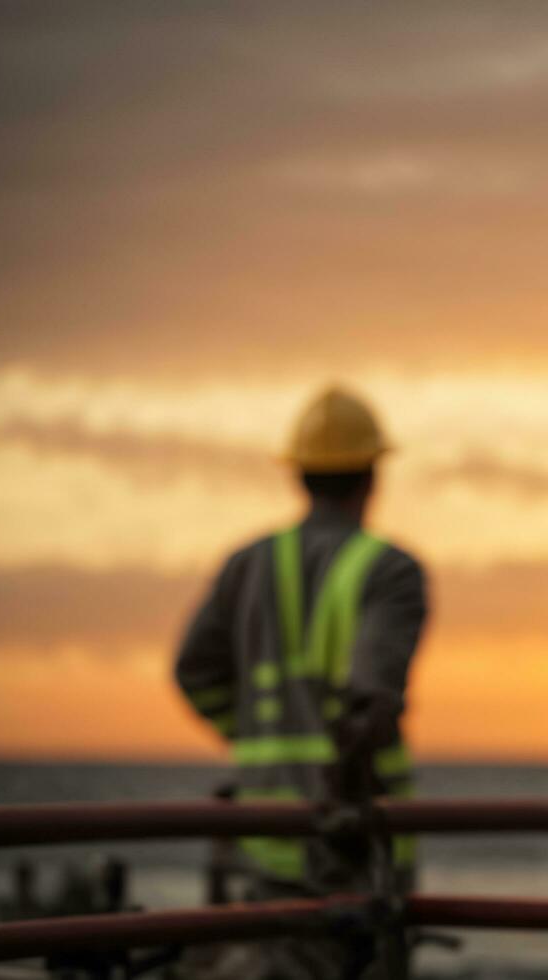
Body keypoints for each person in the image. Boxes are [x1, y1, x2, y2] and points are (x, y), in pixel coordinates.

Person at [174, 384, 427, 976]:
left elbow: (194, 671)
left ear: (298, 476)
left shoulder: (247, 565)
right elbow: (369, 703)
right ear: (372, 476)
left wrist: (258, 737)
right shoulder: (390, 571)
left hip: (263, 831)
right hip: (354, 844)